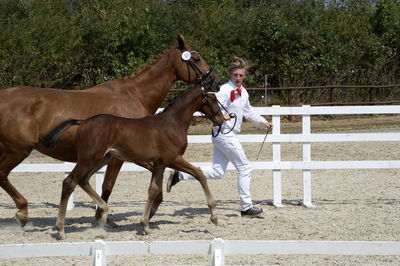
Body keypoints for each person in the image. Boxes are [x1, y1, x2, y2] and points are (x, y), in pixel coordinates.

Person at [167, 57, 273, 217]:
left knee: (218, 172)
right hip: (224, 134)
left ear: (244, 76)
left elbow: (248, 111)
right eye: (235, 75)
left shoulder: (243, 92)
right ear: (230, 74)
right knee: (245, 167)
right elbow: (209, 106)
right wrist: (221, 115)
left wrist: (264, 123)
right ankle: (246, 207)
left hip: (224, 135)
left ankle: (181, 174)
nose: (238, 78)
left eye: (241, 75)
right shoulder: (223, 90)